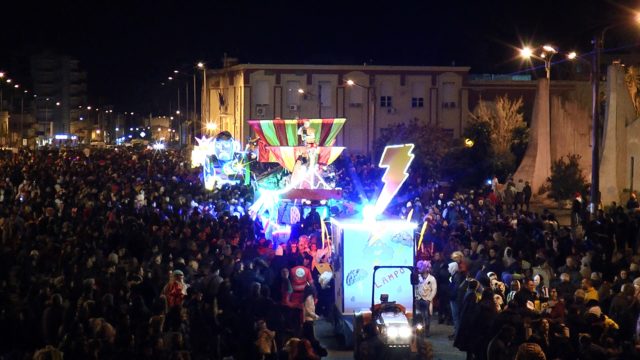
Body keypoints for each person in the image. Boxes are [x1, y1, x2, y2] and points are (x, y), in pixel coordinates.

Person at [415, 260, 437, 336]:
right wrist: (415, 297)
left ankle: (427, 331)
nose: (419, 269)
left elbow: (434, 290)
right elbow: (414, 288)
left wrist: (429, 299)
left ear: (425, 268)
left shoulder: (432, 278)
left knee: (427, 316)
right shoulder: (417, 277)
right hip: (418, 299)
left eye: (420, 268)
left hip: (427, 300)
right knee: (418, 315)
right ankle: (419, 330)